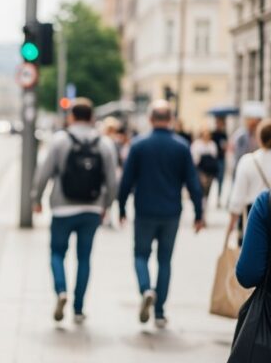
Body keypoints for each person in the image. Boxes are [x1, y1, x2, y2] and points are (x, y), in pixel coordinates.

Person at [118, 100, 204, 329]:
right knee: (164, 260)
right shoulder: (182, 146)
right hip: (171, 212)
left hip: (145, 210)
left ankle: (146, 289)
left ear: (150, 119)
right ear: (171, 120)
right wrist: (199, 213)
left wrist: (121, 207)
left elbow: (126, 180)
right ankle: (159, 312)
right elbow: (193, 182)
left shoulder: (138, 145)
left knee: (140, 255)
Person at [32, 98, 119, 324]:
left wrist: (37, 199)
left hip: (62, 208)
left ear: (71, 116)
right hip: (92, 207)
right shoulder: (105, 143)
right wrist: (106, 206)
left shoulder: (59, 140)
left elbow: (44, 173)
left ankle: (61, 291)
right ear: (92, 117)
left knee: (57, 253)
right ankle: (78, 308)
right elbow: (112, 181)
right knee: (84, 258)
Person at [227, 119, 271, 242]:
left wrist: (230, 228)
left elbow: (237, 199)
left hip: (253, 215)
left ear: (259, 138)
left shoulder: (248, 161)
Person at [231, 101, 265, 178]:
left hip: (253, 167)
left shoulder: (257, 135)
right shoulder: (241, 135)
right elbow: (238, 154)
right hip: (242, 167)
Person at [190, 129, 219, 216]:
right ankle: (199, 211)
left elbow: (214, 157)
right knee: (200, 191)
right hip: (200, 171)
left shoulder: (212, 144)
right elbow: (194, 159)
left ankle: (204, 211)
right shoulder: (197, 145)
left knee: (207, 192)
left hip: (209, 171)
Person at [211, 116, 229, 206]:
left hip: (221, 158)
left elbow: (226, 146)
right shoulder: (213, 134)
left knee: (221, 179)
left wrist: (225, 147)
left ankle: (218, 198)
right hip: (213, 159)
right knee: (211, 178)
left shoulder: (224, 134)